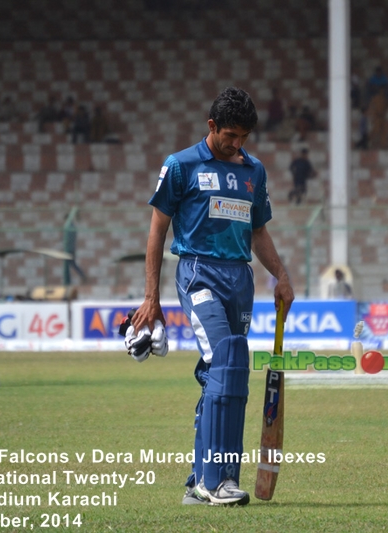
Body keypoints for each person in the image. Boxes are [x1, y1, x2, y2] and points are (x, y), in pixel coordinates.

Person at [129, 87, 294, 507]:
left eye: (243, 137)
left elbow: (258, 232)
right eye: (230, 135)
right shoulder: (180, 166)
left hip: (240, 278)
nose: (236, 144)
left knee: (226, 370)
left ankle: (203, 482)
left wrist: (282, 275)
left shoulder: (253, 170)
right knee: (226, 358)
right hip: (198, 272)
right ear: (211, 126)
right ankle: (213, 482)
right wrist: (151, 298)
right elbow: (156, 231)